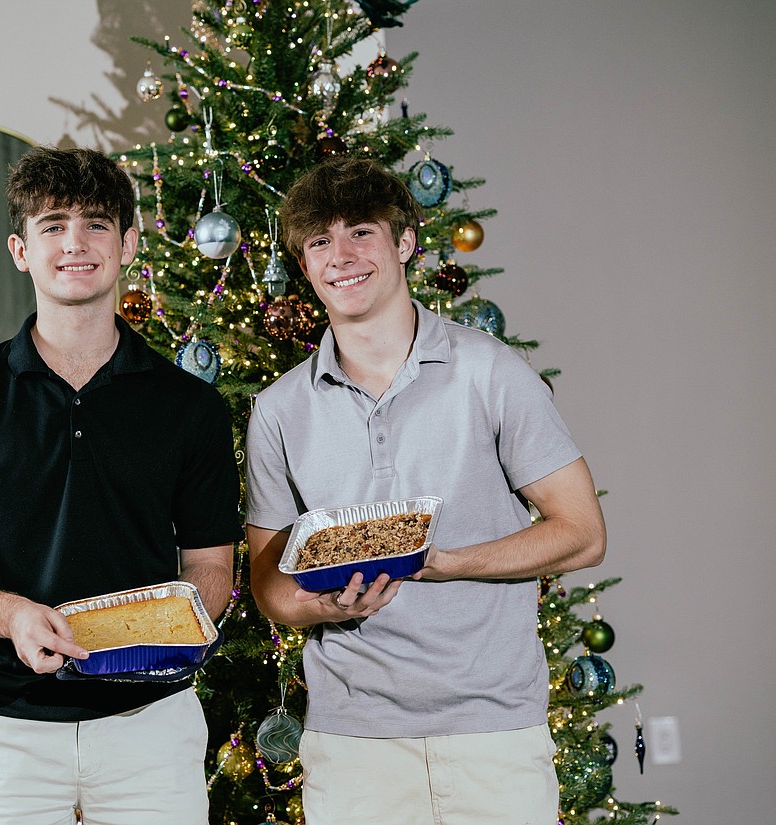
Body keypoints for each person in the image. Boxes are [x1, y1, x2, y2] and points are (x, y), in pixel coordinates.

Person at [245, 155, 606, 825]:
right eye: (320, 242)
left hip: (493, 734)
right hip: (353, 745)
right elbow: (267, 581)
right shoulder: (279, 409)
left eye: (360, 232)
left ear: (405, 241)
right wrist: (315, 608)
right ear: (304, 265)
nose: (341, 256)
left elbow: (583, 532)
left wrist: (446, 562)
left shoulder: (492, 373)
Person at [0, 146, 242, 825]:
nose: (75, 242)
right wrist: (16, 616)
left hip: (151, 724)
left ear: (129, 243)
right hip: (0, 726)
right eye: (53, 225)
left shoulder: (190, 406)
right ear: (21, 250)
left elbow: (211, 566)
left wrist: (156, 630)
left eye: (97, 224)